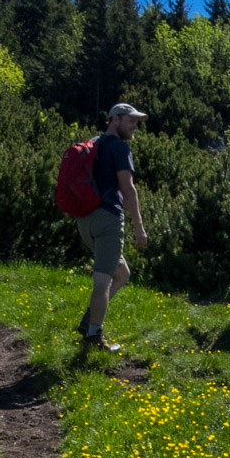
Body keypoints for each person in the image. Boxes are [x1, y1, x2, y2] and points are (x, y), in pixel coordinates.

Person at [74, 104, 150, 351]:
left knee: (122, 273)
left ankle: (88, 321)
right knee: (103, 280)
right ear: (114, 119)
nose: (135, 126)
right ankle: (94, 337)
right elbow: (128, 190)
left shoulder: (93, 144)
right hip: (107, 219)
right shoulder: (120, 147)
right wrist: (139, 229)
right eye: (131, 121)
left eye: (137, 121)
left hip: (85, 219)